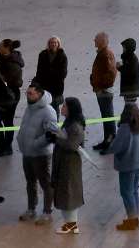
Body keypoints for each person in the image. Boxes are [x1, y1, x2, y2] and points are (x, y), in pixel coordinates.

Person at [18, 83, 59, 225]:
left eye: (31, 93)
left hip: (41, 155)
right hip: (27, 153)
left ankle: (47, 212)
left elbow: (51, 134)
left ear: (39, 94)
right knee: (30, 182)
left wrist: (35, 144)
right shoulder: (29, 108)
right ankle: (31, 209)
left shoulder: (48, 111)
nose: (28, 96)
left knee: (45, 183)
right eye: (27, 93)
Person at [109, 103, 139, 231]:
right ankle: (135, 218)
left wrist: (110, 144)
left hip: (128, 164)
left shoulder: (125, 128)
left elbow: (117, 147)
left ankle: (131, 219)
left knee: (126, 192)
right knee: (134, 190)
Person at [50, 97, 86, 235]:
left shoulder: (75, 126)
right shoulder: (70, 123)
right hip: (64, 162)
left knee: (69, 193)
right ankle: (70, 223)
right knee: (66, 192)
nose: (62, 108)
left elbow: (72, 144)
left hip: (70, 164)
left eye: (64, 106)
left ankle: (71, 224)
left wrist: (56, 139)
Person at [0, 39, 24, 156]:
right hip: (2, 95)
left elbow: (11, 81)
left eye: (1, 46)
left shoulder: (13, 64)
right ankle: (3, 145)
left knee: (7, 121)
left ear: (6, 49)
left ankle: (6, 146)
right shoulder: (1, 58)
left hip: (11, 96)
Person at [90, 32, 118, 152]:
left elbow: (111, 74)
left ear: (102, 41)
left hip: (104, 91)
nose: (94, 40)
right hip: (102, 90)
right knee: (105, 116)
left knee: (108, 117)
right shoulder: (103, 53)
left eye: (96, 39)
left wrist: (99, 84)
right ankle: (107, 140)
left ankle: (110, 141)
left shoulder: (105, 54)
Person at [35, 36, 68, 108]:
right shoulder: (42, 55)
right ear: (48, 44)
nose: (53, 44)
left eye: (55, 42)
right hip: (44, 85)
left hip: (57, 86)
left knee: (55, 106)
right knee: (44, 106)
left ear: (58, 44)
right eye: (51, 42)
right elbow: (39, 70)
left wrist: (55, 76)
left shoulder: (62, 56)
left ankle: (55, 119)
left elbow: (64, 72)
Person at [118, 38, 139, 103]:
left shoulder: (131, 58)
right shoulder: (128, 57)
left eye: (124, 47)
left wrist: (120, 67)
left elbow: (129, 73)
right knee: (129, 107)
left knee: (130, 107)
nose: (123, 49)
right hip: (129, 89)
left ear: (128, 48)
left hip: (131, 90)